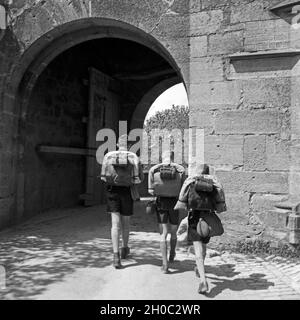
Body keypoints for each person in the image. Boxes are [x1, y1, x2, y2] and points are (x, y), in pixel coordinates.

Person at [175, 163, 226, 294]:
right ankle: (200, 269)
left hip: (194, 216)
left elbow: (182, 197)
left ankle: (203, 281)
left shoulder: (191, 180)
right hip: (208, 217)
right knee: (203, 246)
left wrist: (182, 205)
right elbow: (220, 196)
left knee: (197, 249)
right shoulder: (213, 181)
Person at [101, 134, 144, 269]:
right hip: (127, 191)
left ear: (118, 144)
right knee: (125, 223)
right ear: (129, 145)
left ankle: (115, 256)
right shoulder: (133, 157)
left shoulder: (108, 156)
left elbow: (103, 177)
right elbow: (138, 179)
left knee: (115, 224)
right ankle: (124, 249)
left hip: (112, 191)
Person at [148, 151, 185, 273]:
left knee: (163, 233)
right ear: (173, 159)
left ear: (161, 159)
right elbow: (183, 183)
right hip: (175, 203)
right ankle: (172, 253)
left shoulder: (155, 171)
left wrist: (158, 166)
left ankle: (164, 265)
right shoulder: (179, 172)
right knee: (174, 231)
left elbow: (151, 191)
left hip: (161, 203)